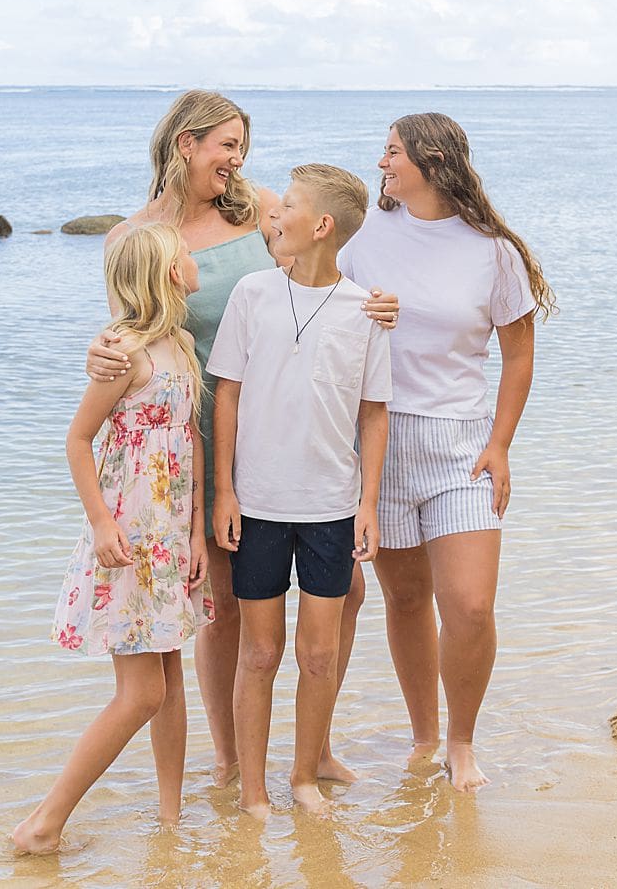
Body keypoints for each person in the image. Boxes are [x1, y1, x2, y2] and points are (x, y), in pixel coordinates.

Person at [84, 90, 398, 786]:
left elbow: (316, 266)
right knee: (222, 607)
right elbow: (130, 329)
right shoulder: (132, 237)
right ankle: (231, 761)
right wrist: (97, 358)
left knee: (346, 590)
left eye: (242, 147)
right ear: (186, 142)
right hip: (189, 437)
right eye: (227, 144)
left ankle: (312, 748)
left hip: (286, 432)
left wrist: (375, 301)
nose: (238, 160)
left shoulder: (255, 209)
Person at [337, 113, 554, 794]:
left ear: (431, 160)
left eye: (392, 152)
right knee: (405, 597)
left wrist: (500, 444)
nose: (381, 163)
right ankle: (425, 735)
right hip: (380, 440)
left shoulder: (493, 251)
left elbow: (518, 352)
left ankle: (462, 739)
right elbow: (309, 300)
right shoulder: (364, 236)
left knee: (470, 606)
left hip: (460, 445)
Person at [12, 223, 213, 852]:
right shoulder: (123, 352)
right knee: (142, 693)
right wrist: (101, 522)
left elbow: (190, 439)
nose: (192, 255)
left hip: (172, 537)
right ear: (164, 271)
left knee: (170, 675)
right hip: (129, 536)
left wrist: (198, 534)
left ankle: (171, 818)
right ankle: (43, 823)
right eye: (184, 250)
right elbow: (78, 439)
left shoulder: (181, 343)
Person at [209, 164, 391, 817]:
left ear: (321, 226)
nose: (274, 213)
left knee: (318, 653)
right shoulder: (252, 295)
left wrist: (367, 502)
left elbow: (374, 411)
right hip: (256, 505)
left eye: (286, 204)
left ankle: (303, 778)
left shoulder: (366, 310)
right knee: (259, 652)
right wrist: (224, 490)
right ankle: (252, 789)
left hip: (330, 509)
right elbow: (226, 390)